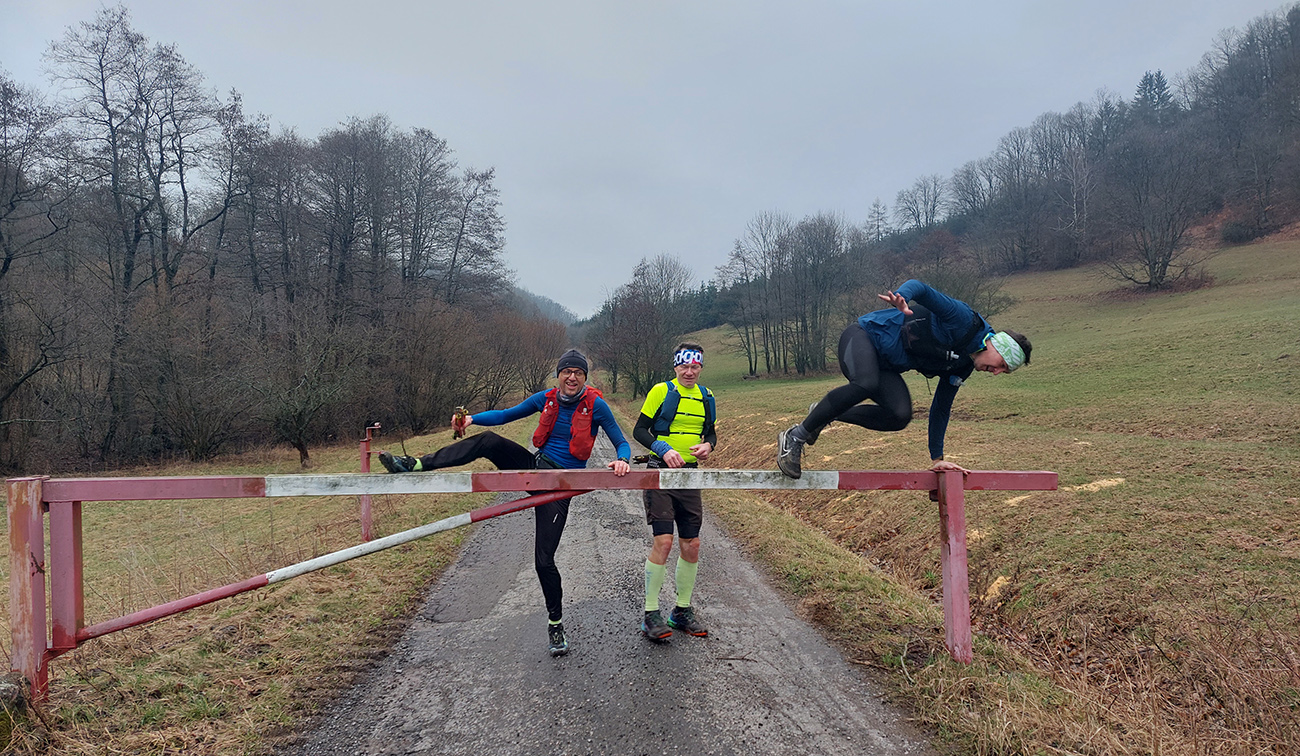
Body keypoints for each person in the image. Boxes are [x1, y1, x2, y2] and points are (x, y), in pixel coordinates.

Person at [378, 349, 632, 657]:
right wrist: (471, 419)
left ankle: (555, 624)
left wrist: (622, 460)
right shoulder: (545, 398)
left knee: (543, 561)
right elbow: (505, 415)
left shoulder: (597, 406)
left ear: (584, 378)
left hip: (561, 488)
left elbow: (620, 441)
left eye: (578, 373)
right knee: (488, 440)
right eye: (567, 371)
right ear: (559, 375)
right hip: (535, 470)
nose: (572, 377)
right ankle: (416, 464)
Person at [776, 279, 1031, 479]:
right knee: (866, 383)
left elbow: (941, 408)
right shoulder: (963, 319)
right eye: (1002, 366)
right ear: (997, 347)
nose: (996, 373)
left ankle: (824, 413)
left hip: (886, 366)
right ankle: (795, 437)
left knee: (899, 415)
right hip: (862, 337)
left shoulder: (963, 366)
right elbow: (920, 288)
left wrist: (937, 458)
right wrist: (902, 298)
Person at [632, 343, 718, 641]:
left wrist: (709, 446)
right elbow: (640, 430)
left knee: (691, 544)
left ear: (701, 368)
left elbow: (711, 432)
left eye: (695, 367)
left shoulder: (707, 397)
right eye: (685, 366)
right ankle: (650, 613)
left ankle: (681, 610)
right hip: (660, 474)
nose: (690, 372)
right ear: (676, 367)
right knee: (664, 542)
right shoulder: (661, 391)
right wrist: (664, 448)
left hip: (689, 476)